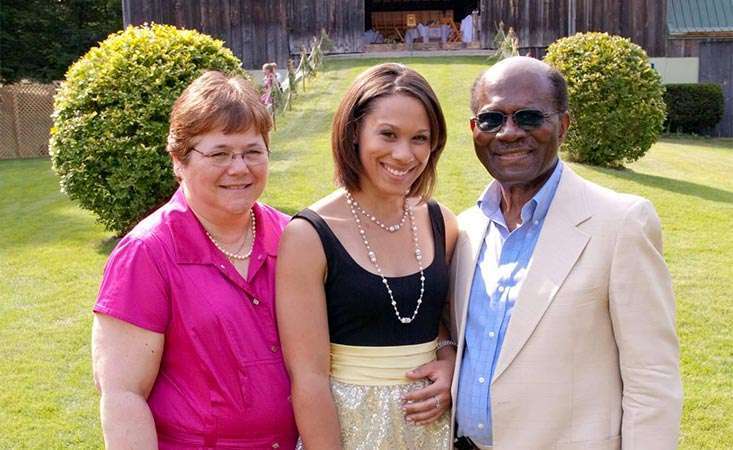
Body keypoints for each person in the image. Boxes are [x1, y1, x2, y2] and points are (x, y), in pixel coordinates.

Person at [449, 56, 683, 450]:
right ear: (475, 130)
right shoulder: (465, 229)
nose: (508, 133)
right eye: (492, 119)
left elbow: (653, 377)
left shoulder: (621, 223)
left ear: (564, 125)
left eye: (528, 117)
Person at [91, 71, 298, 449]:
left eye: (252, 151)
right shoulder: (147, 253)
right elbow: (123, 395)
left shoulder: (295, 239)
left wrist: (443, 353)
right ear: (178, 160)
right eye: (219, 153)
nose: (239, 168)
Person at [276, 63, 458, 450]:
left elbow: (444, 323)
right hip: (350, 428)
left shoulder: (443, 223)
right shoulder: (308, 235)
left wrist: (448, 361)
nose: (404, 154)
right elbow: (308, 378)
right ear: (354, 132)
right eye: (388, 134)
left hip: (431, 429)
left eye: (420, 138)